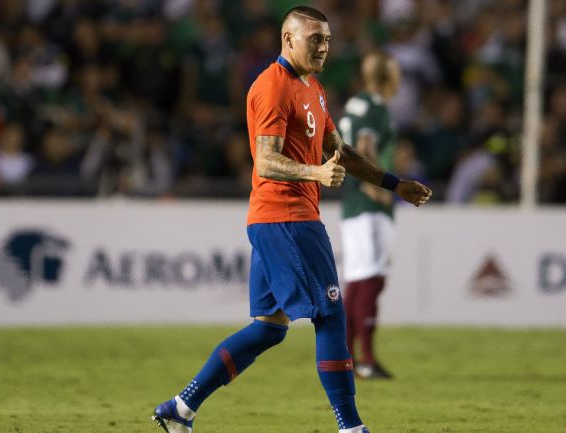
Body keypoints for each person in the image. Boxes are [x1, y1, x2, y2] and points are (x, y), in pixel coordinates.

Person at [151, 6, 432, 433]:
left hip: (278, 219)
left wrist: (394, 183)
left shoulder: (313, 88)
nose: (323, 47)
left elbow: (343, 152)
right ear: (288, 40)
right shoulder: (272, 87)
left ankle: (180, 408)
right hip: (288, 216)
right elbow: (265, 160)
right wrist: (315, 173)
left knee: (268, 329)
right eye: (314, 38)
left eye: (327, 39)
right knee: (331, 314)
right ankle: (351, 427)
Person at [338, 52, 401, 379]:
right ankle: (365, 360)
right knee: (369, 281)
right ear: (389, 75)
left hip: (355, 204)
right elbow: (363, 146)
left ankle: (347, 359)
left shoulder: (357, 104)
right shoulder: (375, 107)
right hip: (367, 205)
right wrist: (379, 190)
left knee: (361, 281)